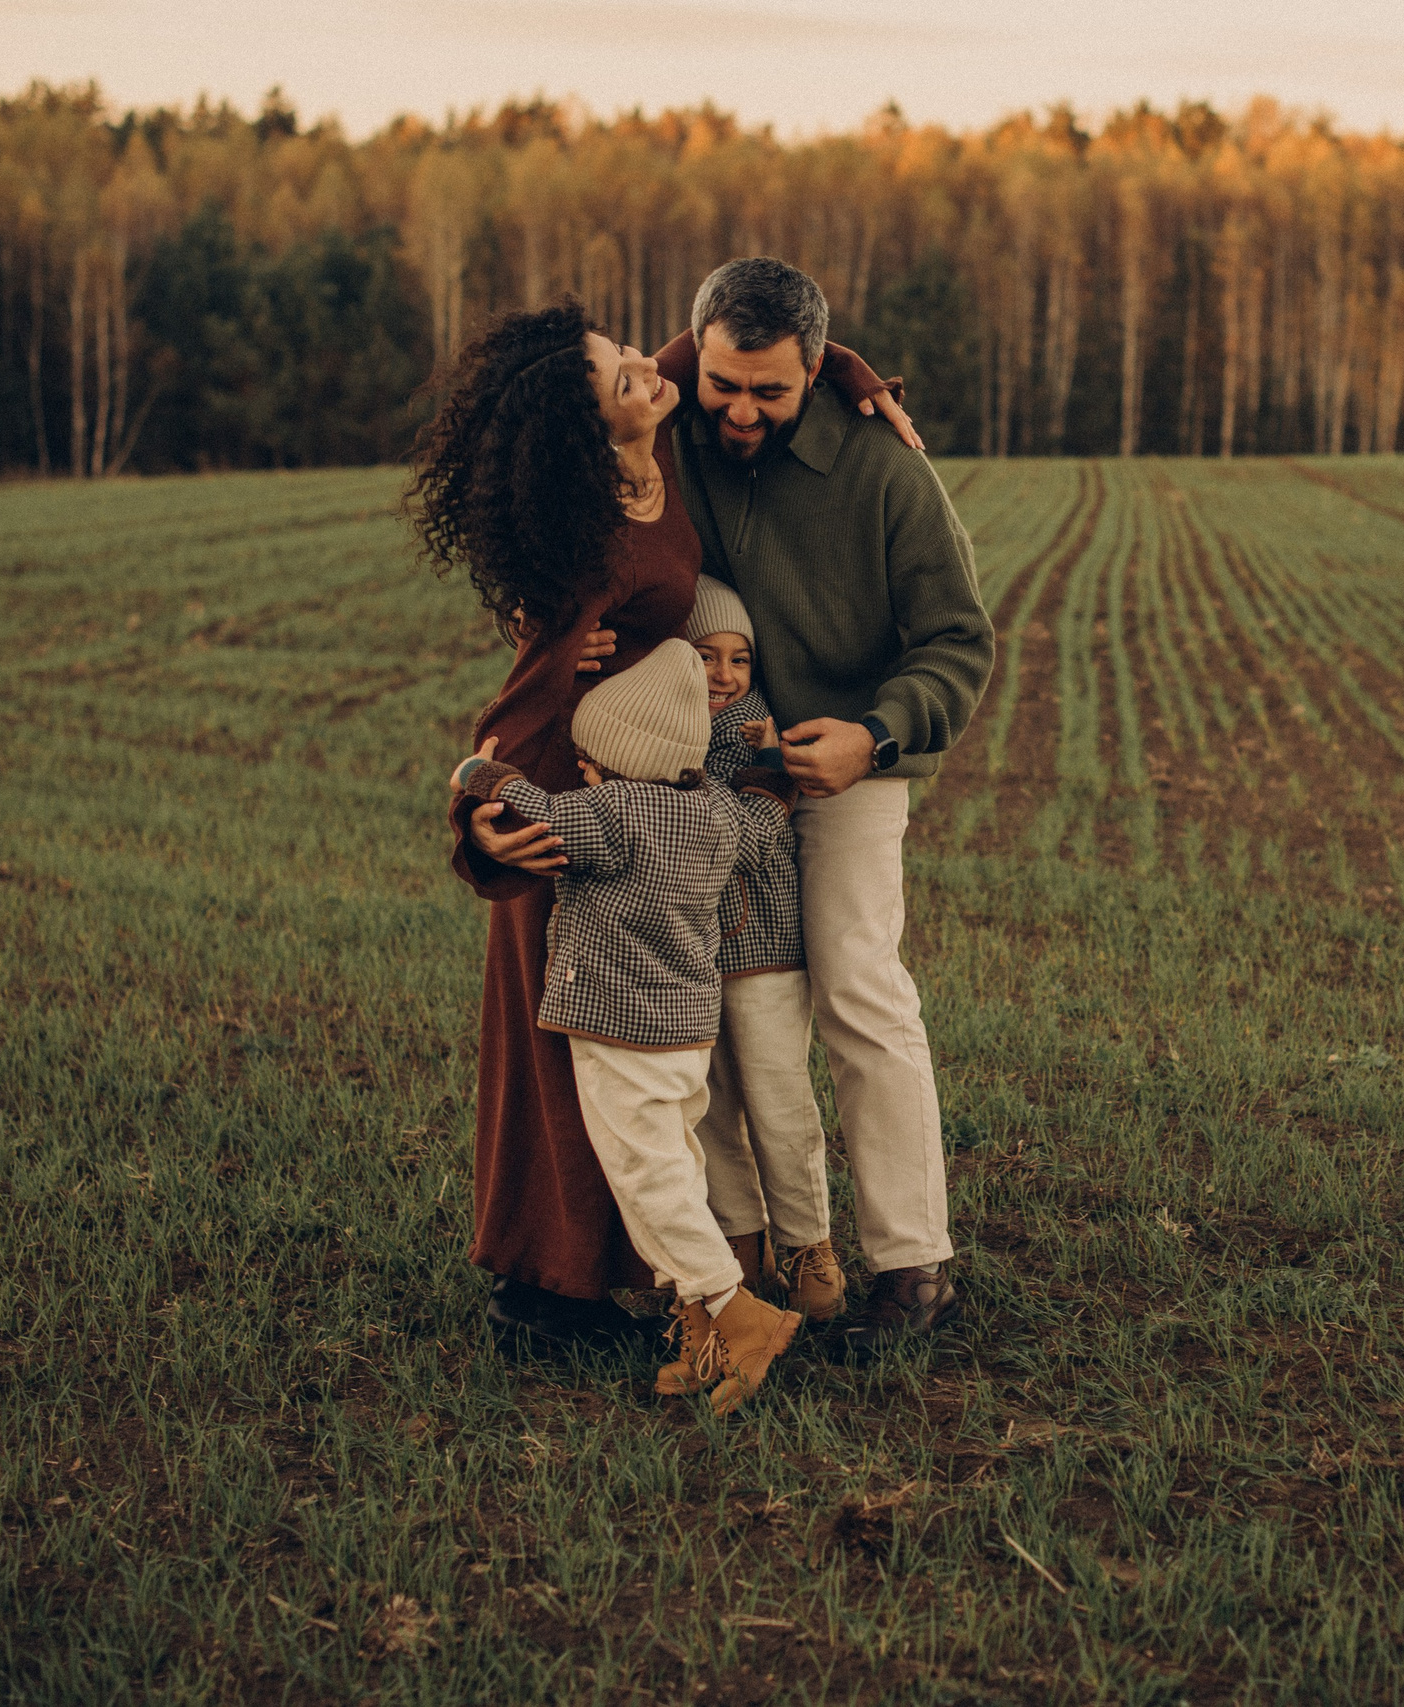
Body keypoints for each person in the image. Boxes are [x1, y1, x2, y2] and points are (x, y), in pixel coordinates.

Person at [404, 295, 911, 1350]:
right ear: (600, 430)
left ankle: (626, 1278)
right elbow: (523, 700)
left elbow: (760, 352)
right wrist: (477, 824)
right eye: (622, 375)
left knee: (627, 1043)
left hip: (645, 787)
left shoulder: (656, 426)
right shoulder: (589, 542)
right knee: (577, 1053)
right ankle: (547, 1294)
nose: (647, 364)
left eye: (631, 353)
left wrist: (853, 374)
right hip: (575, 806)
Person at [665, 257, 996, 1360]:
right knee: (700, 1005)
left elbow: (958, 641)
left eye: (771, 388)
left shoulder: (887, 472)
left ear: (816, 368)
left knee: (857, 985)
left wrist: (875, 736)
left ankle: (912, 1272)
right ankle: (742, 1259)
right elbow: (606, 395)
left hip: (852, 761)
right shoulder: (675, 438)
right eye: (722, 383)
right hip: (711, 770)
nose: (742, 411)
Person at [451, 640, 806, 1413]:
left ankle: (739, 1313)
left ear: (610, 759)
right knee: (677, 1162)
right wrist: (773, 779)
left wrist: (477, 773)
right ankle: (700, 1327)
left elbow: (533, 808)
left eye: (588, 755)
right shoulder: (713, 812)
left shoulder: (611, 813)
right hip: (684, 1032)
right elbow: (763, 825)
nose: (579, 766)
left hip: (619, 1034)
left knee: (648, 1181)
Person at [681, 575, 845, 1324]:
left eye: (739, 658)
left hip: (764, 940)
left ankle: (809, 1242)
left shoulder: (755, 730)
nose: (724, 675)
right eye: (705, 656)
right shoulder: (664, 720)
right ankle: (740, 1242)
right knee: (710, 1103)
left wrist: (767, 758)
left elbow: (756, 815)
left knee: (778, 1095)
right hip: (687, 943)